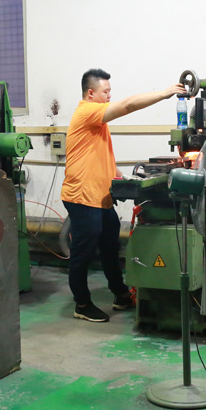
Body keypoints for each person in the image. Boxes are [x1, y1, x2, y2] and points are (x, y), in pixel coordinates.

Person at [60, 68, 186, 323]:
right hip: (82, 197)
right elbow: (128, 105)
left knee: (110, 245)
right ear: (91, 93)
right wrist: (163, 93)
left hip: (100, 196)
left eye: (110, 92)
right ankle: (82, 304)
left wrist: (125, 178)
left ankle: (120, 294)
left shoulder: (97, 121)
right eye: (106, 92)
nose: (109, 96)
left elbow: (101, 157)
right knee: (83, 252)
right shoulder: (87, 112)